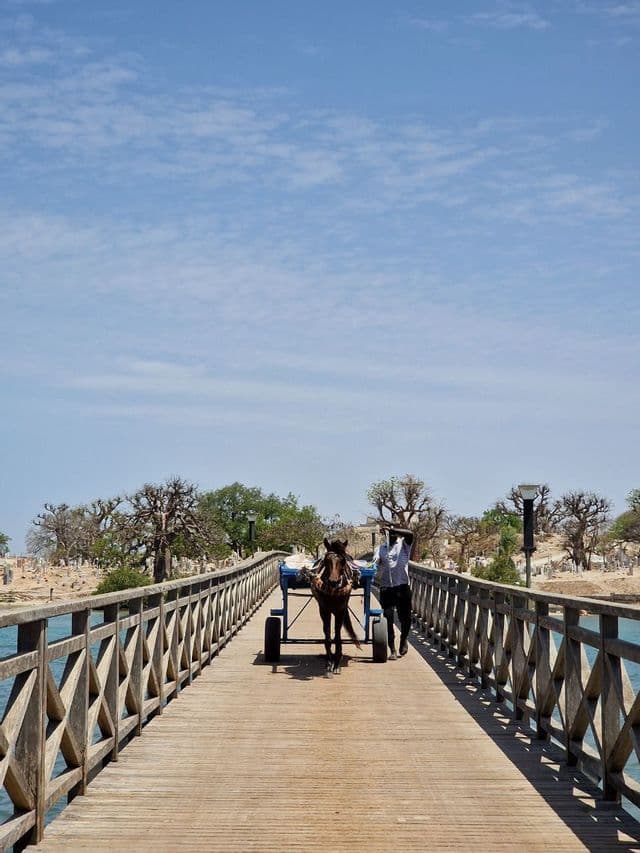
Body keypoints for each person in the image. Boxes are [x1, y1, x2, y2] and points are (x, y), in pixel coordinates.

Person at [374, 525, 414, 660]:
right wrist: (375, 564)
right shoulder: (380, 548)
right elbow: (375, 561)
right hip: (387, 588)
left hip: (402, 586)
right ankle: (392, 649)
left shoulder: (404, 545)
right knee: (388, 617)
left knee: (406, 618)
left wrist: (394, 530)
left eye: (393, 533)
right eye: (389, 533)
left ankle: (404, 639)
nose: (391, 536)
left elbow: (410, 534)